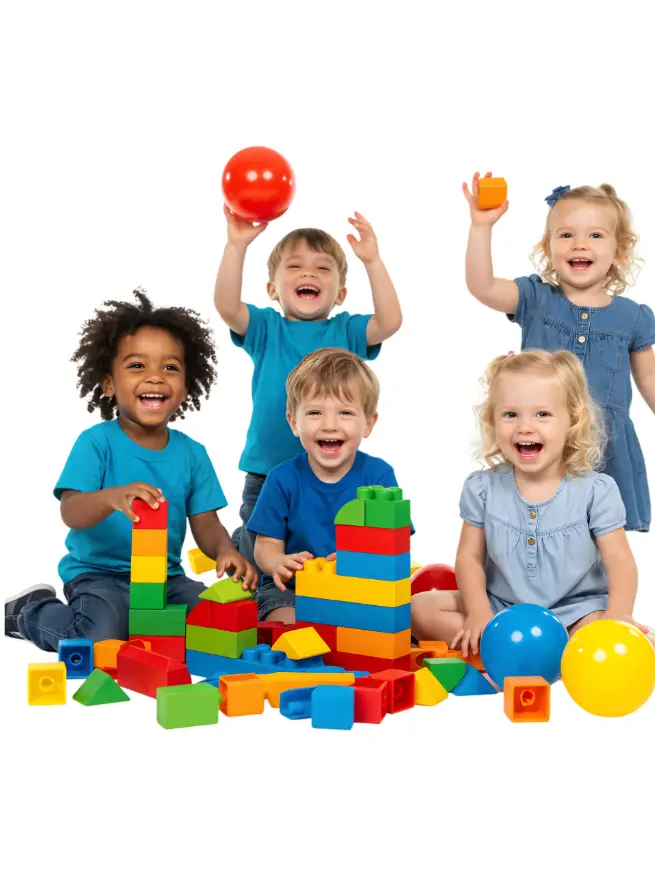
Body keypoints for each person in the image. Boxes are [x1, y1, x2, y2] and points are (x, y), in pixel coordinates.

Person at [4, 290, 256, 650]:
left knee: (215, 621)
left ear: (185, 387)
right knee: (96, 641)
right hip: (99, 576)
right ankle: (29, 612)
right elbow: (71, 512)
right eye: (137, 366)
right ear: (109, 384)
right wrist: (111, 497)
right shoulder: (97, 443)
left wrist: (225, 551)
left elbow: (207, 525)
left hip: (165, 580)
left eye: (170, 368)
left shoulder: (192, 453)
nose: (155, 378)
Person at [411, 350, 655, 666]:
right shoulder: (482, 488)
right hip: (502, 609)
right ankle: (530, 652)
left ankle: (649, 647)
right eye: (510, 414)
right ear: (492, 420)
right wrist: (479, 611)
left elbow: (619, 559)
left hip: (575, 612)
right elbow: (469, 557)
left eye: (542, 414)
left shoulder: (595, 491)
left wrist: (619, 613)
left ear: (572, 420)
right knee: (419, 609)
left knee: (602, 634)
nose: (525, 427)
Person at [462, 175, 655, 531]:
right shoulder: (536, 299)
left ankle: (600, 587)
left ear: (619, 251)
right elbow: (483, 286)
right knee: (537, 525)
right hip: (541, 436)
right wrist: (481, 227)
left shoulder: (631, 317)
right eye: (566, 235)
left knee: (600, 532)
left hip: (603, 445)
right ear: (548, 246)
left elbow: (649, 376)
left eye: (595, 235)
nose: (579, 245)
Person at [213, 208, 402, 568]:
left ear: (341, 293)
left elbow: (390, 321)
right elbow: (226, 305)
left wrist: (372, 261)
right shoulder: (265, 328)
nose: (308, 273)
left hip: (332, 471)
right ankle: (245, 547)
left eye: (322, 268)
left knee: (321, 553)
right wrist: (236, 245)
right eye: (295, 266)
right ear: (272, 289)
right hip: (268, 469)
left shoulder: (346, 330)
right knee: (260, 562)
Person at [247, 348, 403, 623]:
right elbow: (266, 545)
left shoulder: (379, 476)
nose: (330, 425)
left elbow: (393, 545)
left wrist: (357, 563)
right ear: (294, 422)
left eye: (345, 413)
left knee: (391, 621)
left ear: (368, 423)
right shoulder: (281, 478)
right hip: (294, 590)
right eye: (315, 412)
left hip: (357, 589)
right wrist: (278, 563)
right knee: (284, 621)